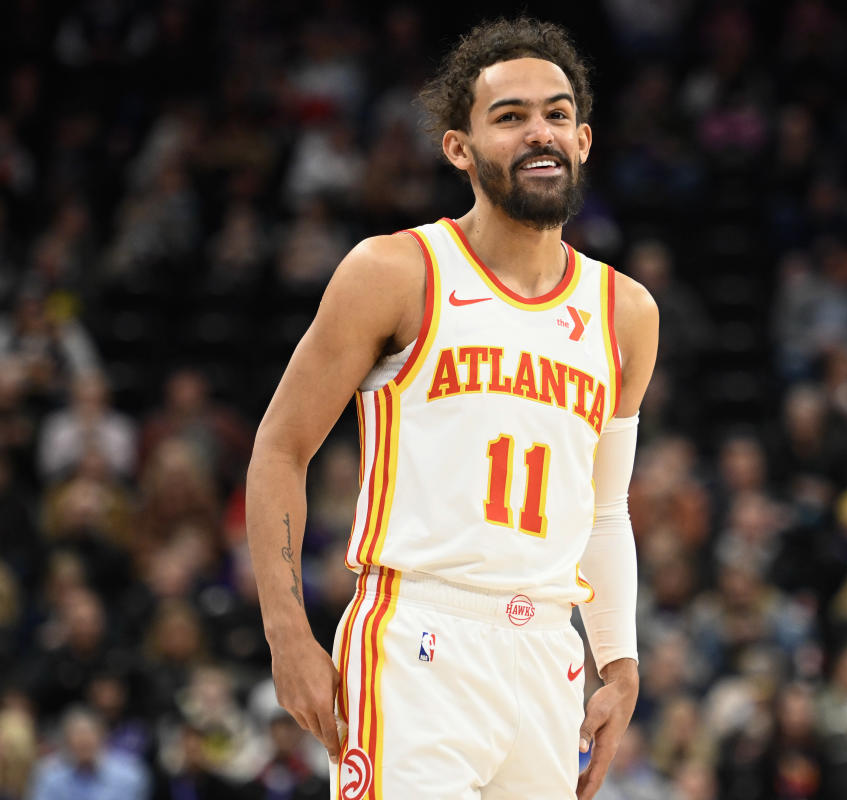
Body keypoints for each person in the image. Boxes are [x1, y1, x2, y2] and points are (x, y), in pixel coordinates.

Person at [245, 16, 659, 800]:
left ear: (584, 139)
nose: (539, 132)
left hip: (546, 649)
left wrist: (620, 661)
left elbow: (606, 509)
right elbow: (279, 450)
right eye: (510, 117)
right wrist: (286, 637)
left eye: (557, 113)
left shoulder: (626, 312)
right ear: (458, 149)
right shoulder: (394, 271)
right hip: (416, 640)